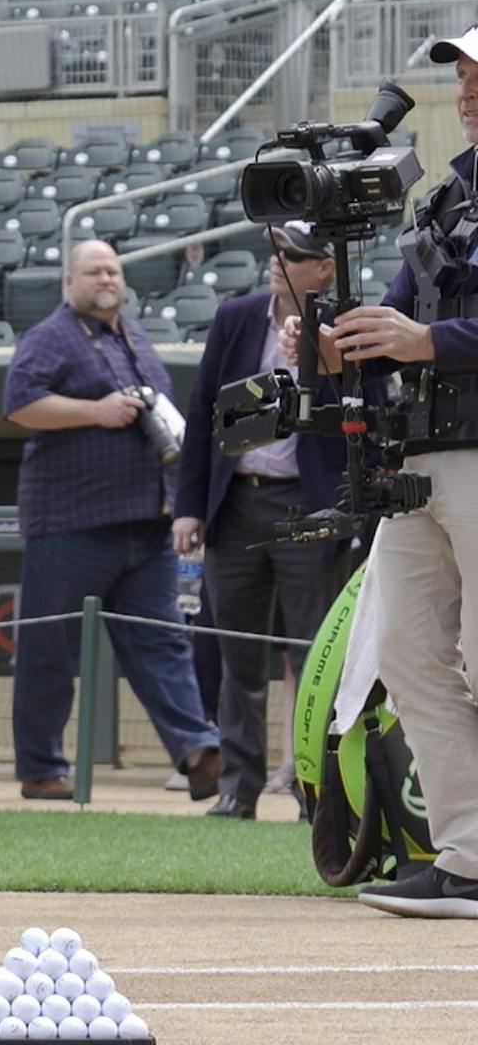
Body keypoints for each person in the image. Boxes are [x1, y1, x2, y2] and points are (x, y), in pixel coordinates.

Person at [322, 26, 478, 918]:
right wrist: (343, 343)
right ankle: (469, 858)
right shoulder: (446, 193)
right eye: (462, 75)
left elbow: (425, 335)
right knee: (407, 654)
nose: (468, 89)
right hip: (417, 458)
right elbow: (396, 320)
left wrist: (431, 342)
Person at [3, 240, 221, 802]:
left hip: (145, 523)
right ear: (69, 282)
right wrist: (94, 411)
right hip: (70, 524)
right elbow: (19, 402)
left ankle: (198, 751)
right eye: (94, 271)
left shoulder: (135, 335)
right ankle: (41, 768)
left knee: (163, 642)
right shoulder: (49, 336)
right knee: (49, 650)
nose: (106, 279)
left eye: (113, 271)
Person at [174, 222, 353, 820]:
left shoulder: (346, 321)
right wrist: (190, 506)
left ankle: (316, 791)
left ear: (324, 268)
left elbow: (369, 408)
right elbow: (202, 411)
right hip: (237, 503)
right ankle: (238, 786)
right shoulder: (237, 317)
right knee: (239, 656)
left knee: (314, 655)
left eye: (295, 254)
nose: (279, 261)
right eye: (276, 251)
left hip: (308, 502)